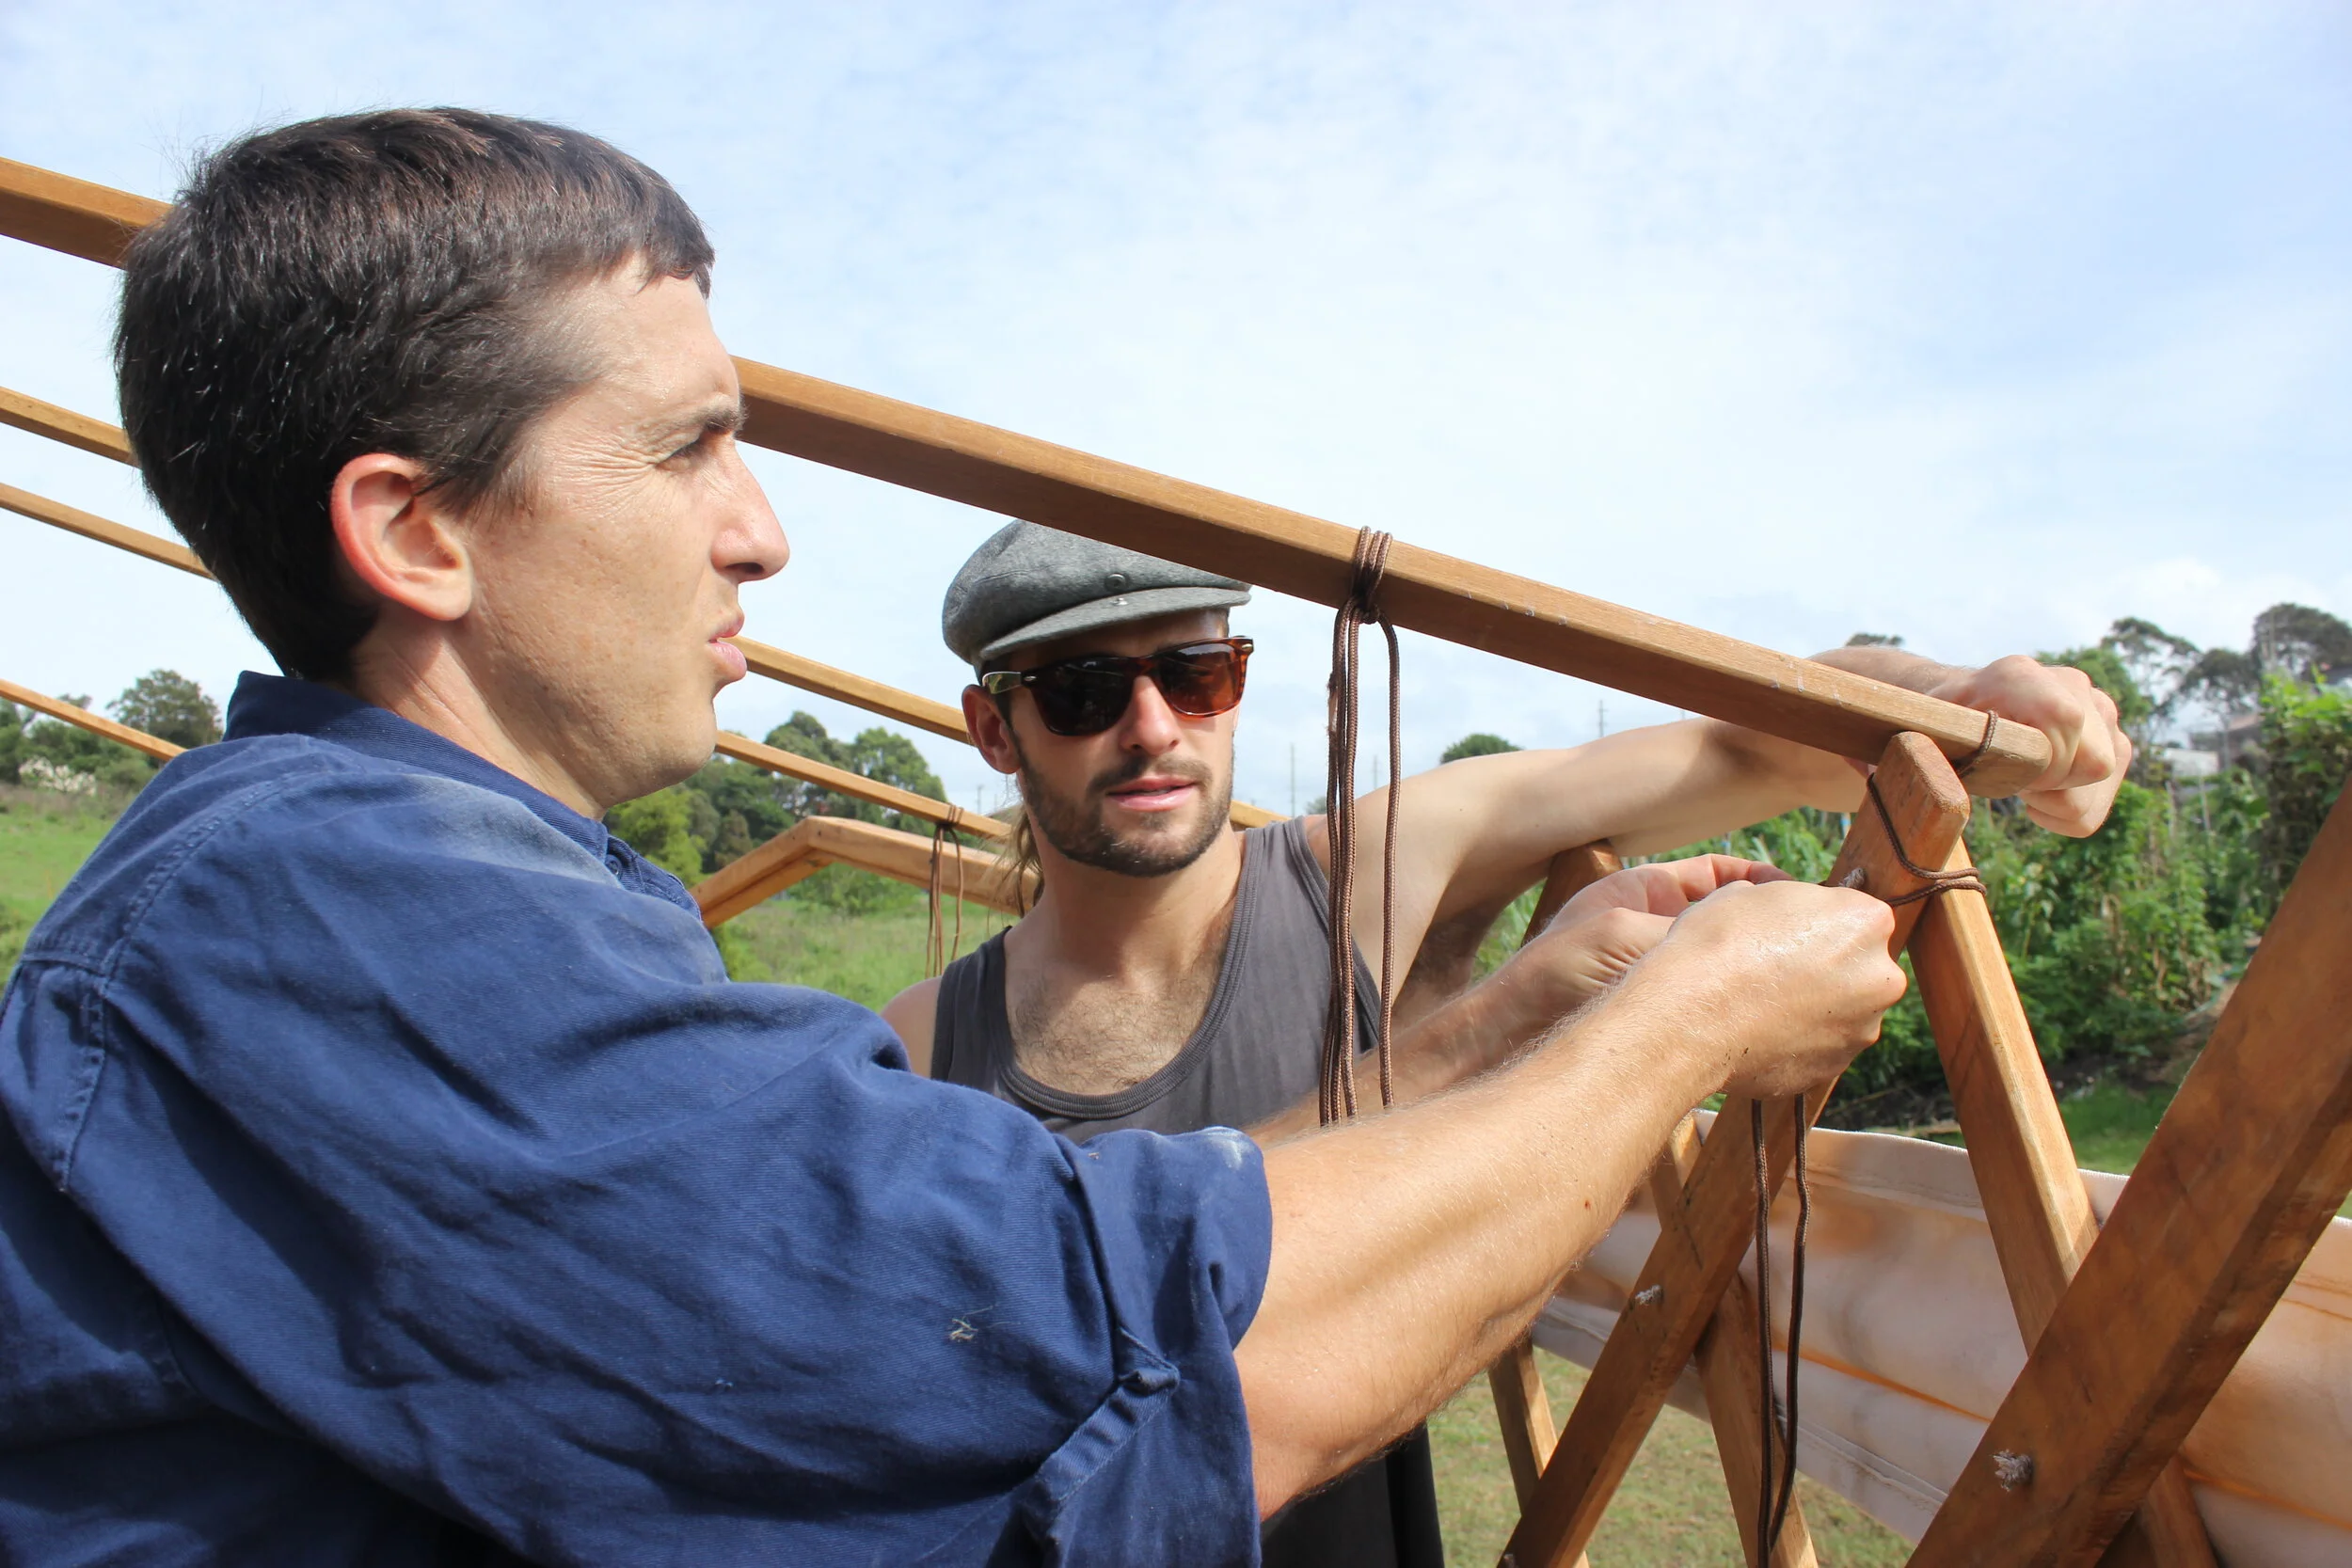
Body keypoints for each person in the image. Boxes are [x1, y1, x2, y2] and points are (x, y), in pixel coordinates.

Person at [3, 109, 1913, 1567]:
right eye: (684, 448)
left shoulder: (471, 903)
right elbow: (1106, 1360)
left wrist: (1523, 1020)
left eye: (1197, 664)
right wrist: (1674, 1031)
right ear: (417, 532)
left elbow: (995, 1261)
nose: (759, 531)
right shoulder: (340, 919)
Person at [884, 524, 2129, 1565]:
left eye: (1196, 671)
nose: (1154, 727)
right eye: (1084, 691)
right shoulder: (921, 1045)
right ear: (995, 731)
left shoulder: (1358, 877)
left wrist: (1966, 696)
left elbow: (1738, 742)